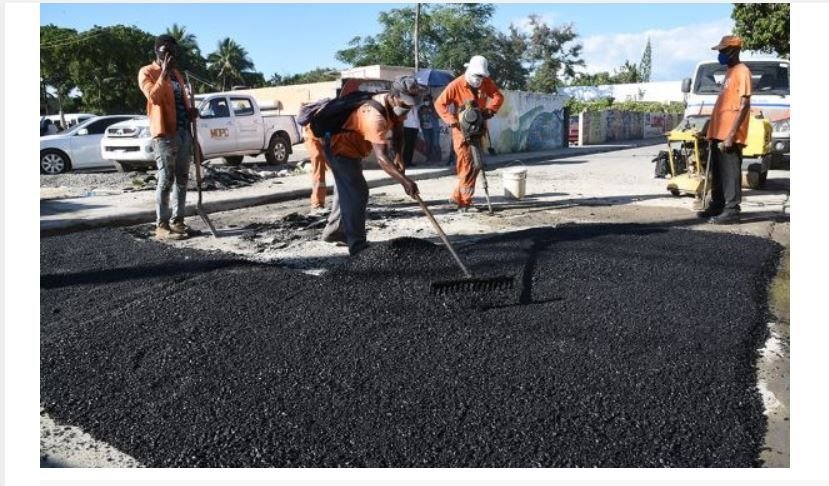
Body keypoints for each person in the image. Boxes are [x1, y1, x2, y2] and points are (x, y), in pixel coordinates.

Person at [320, 76, 423, 256]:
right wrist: (405, 181)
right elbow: (382, 158)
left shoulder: (396, 108)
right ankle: (357, 245)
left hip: (354, 148)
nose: (407, 109)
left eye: (410, 106)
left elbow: (398, 134)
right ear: (394, 96)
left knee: (345, 188)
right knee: (358, 192)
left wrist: (399, 156)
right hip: (339, 147)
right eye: (405, 104)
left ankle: (335, 230)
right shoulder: (374, 116)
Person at [138, 34, 199, 240]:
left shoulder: (178, 75)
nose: (171, 56)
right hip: (164, 133)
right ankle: (161, 225)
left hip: (183, 132)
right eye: (167, 52)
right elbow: (153, 97)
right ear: (158, 51)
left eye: (173, 52)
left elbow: (181, 102)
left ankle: (178, 221)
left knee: (182, 179)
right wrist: (163, 73)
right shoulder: (147, 72)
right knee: (166, 179)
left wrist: (190, 111)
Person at [435, 55, 504, 211]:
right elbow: (440, 104)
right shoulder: (456, 85)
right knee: (467, 166)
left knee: (477, 165)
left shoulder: (486, 82)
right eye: (477, 76)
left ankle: (456, 197)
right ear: (470, 71)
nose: (479, 79)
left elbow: (498, 96)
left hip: (478, 129)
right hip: (461, 131)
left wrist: (490, 110)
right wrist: (452, 120)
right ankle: (464, 203)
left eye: (482, 76)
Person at [698, 35, 752, 225]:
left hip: (730, 135)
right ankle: (718, 204)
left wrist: (731, 135)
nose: (720, 54)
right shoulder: (729, 72)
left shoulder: (742, 71)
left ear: (734, 50)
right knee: (718, 173)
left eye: (723, 51)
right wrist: (710, 131)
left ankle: (732, 210)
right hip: (718, 134)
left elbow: (744, 104)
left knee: (730, 174)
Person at [303, 123, 329, 211]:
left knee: (341, 171)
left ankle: (346, 200)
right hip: (314, 133)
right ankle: (317, 202)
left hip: (328, 132)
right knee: (318, 162)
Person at [418, 94, 440, 162]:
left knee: (435, 143)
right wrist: (422, 112)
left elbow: (438, 116)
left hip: (434, 128)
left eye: (427, 100)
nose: (426, 101)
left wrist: (431, 111)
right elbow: (419, 117)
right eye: (424, 100)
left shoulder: (435, 106)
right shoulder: (421, 107)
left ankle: (438, 158)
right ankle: (429, 158)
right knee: (428, 143)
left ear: (431, 100)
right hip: (425, 129)